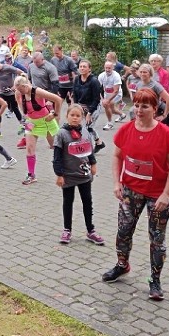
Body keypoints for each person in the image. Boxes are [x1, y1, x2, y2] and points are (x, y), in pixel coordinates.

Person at [102, 89, 169, 301]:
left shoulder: (165, 133)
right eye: (136, 105)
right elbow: (117, 156)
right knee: (124, 231)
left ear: (155, 109)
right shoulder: (126, 130)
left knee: (156, 238)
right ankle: (122, 265)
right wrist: (117, 182)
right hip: (130, 191)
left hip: (158, 195)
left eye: (144, 106)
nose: (139, 110)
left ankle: (155, 280)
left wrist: (166, 193)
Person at [53, 103, 104, 245]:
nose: (75, 118)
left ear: (82, 117)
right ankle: (67, 230)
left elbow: (90, 150)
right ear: (67, 116)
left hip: (84, 174)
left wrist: (93, 163)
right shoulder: (61, 134)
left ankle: (91, 231)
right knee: (68, 202)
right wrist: (59, 174)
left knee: (87, 201)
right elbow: (57, 156)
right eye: (72, 115)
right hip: (68, 175)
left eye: (78, 116)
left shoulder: (86, 132)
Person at [14, 75, 63, 185]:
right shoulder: (18, 93)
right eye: (18, 90)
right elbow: (20, 105)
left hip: (46, 121)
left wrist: (55, 114)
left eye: (21, 89)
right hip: (32, 123)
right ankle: (31, 175)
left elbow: (58, 99)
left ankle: (65, 170)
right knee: (29, 148)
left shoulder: (37, 91)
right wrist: (26, 117)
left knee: (55, 147)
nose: (20, 92)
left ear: (26, 85)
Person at [72, 60, 106, 151]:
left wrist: (89, 113)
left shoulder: (94, 81)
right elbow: (75, 94)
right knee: (89, 127)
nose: (82, 68)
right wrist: (75, 107)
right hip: (81, 107)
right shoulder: (76, 79)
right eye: (80, 66)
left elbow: (96, 99)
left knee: (86, 128)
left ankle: (88, 150)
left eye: (84, 67)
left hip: (93, 108)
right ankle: (99, 143)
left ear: (89, 69)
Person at [98, 60, 125, 130]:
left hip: (117, 95)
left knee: (107, 105)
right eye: (106, 68)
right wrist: (102, 99)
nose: (107, 70)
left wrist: (107, 101)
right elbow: (97, 89)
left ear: (113, 68)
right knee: (112, 109)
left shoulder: (116, 76)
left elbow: (116, 91)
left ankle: (109, 124)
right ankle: (122, 114)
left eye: (109, 68)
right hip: (107, 94)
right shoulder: (101, 76)